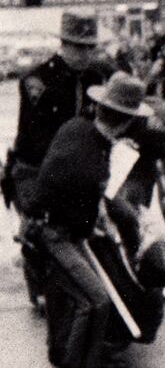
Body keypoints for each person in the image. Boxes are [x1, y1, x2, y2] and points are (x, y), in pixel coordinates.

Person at [19, 72, 151, 368]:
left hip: (49, 227)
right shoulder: (90, 161)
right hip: (52, 233)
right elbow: (83, 201)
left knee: (75, 298)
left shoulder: (77, 128)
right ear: (124, 122)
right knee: (93, 299)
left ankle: (86, 362)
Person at [4, 11, 113, 221]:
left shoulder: (95, 78)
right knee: (48, 237)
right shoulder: (38, 81)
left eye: (91, 47)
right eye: (80, 47)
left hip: (79, 176)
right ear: (64, 44)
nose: (87, 54)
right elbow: (39, 143)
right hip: (36, 173)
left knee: (119, 217)